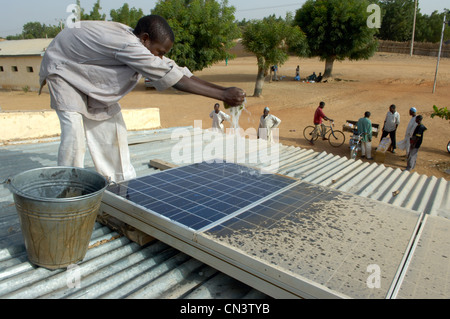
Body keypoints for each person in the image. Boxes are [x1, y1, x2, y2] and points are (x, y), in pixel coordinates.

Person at [38, 15, 246, 182]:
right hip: (62, 69)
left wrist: (223, 89)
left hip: (88, 72)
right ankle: (67, 186)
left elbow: (175, 69)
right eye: (159, 51)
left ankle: (120, 182)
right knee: (74, 133)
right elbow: (175, 80)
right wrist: (222, 94)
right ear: (145, 38)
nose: (159, 57)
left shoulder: (138, 42)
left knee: (114, 128)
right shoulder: (129, 46)